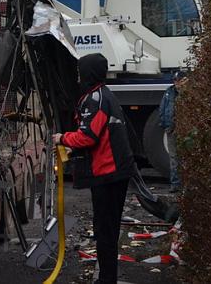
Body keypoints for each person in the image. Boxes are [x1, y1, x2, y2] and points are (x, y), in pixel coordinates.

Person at [54, 53, 135, 284]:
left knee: (106, 232)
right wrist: (73, 150)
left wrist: (62, 138)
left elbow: (88, 136)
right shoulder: (100, 96)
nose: (78, 76)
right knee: (104, 230)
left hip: (109, 176)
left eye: (80, 71)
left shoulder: (96, 99)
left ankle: (106, 280)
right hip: (110, 174)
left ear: (89, 73)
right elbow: (100, 137)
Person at [159, 69, 186, 192]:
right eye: (175, 80)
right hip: (171, 129)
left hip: (185, 130)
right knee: (174, 158)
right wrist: (164, 125)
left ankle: (186, 184)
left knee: (186, 157)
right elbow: (163, 108)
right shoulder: (169, 92)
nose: (176, 82)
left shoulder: (189, 93)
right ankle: (175, 184)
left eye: (178, 80)